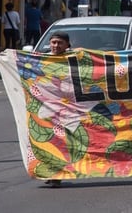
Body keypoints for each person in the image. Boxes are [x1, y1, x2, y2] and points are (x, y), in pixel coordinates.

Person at [43, 30, 73, 187]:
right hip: (45, 108)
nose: (56, 45)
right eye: (53, 42)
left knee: (61, 142)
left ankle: (57, 175)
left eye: (60, 42)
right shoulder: (41, 60)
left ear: (67, 45)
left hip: (66, 109)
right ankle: (49, 172)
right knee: (46, 141)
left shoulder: (73, 60)